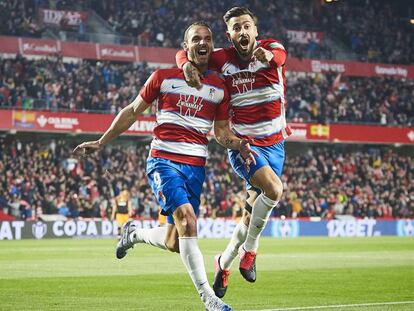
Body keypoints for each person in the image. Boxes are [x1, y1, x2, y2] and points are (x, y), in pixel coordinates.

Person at [74, 21, 256, 311]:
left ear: (212, 46)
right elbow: (133, 111)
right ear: (185, 47)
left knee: (174, 240)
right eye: (196, 38)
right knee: (188, 220)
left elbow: (221, 134)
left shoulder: (219, 88)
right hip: (164, 160)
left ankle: (134, 234)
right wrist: (102, 141)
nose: (202, 42)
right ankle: (208, 297)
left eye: (207, 38)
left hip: (195, 167)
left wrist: (239, 144)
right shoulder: (163, 78)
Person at [176, 7, 291, 298]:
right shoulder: (222, 58)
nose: (242, 32)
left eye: (246, 26)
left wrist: (268, 57)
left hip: (276, 145)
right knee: (275, 190)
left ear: (255, 30)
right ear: (229, 36)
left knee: (248, 219)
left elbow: (279, 56)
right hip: (245, 147)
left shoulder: (271, 48)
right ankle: (250, 251)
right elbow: (189, 53)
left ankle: (223, 263)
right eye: (236, 29)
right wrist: (183, 65)